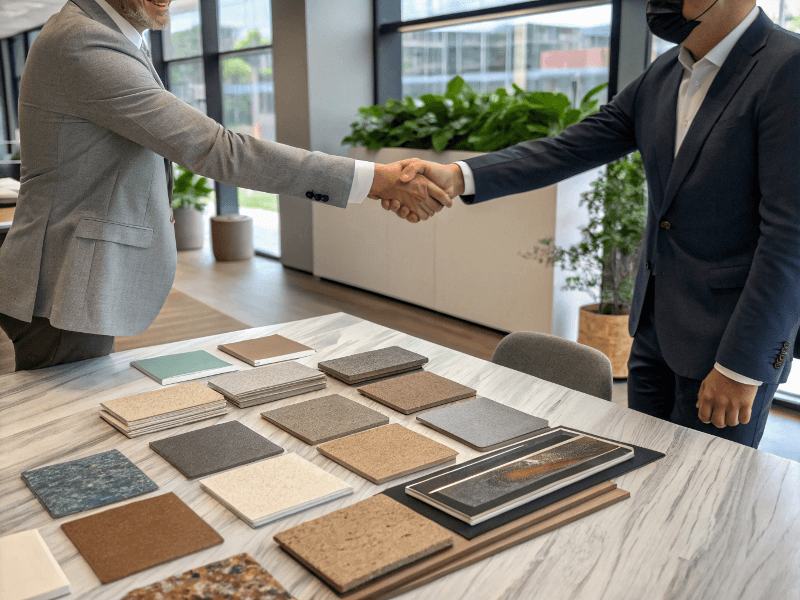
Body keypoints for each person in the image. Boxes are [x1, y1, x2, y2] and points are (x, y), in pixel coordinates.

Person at [384, 0, 800, 448]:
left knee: (705, 502)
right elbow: (568, 148)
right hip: (652, 338)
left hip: (726, 350)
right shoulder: (664, 74)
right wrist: (458, 176)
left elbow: (790, 237)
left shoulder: (787, 68)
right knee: (643, 478)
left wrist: (745, 366)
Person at [0, 0, 451, 371]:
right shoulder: (82, 40)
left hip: (66, 274)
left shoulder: (109, 34)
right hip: (59, 282)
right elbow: (217, 149)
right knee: (72, 449)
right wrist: (375, 180)